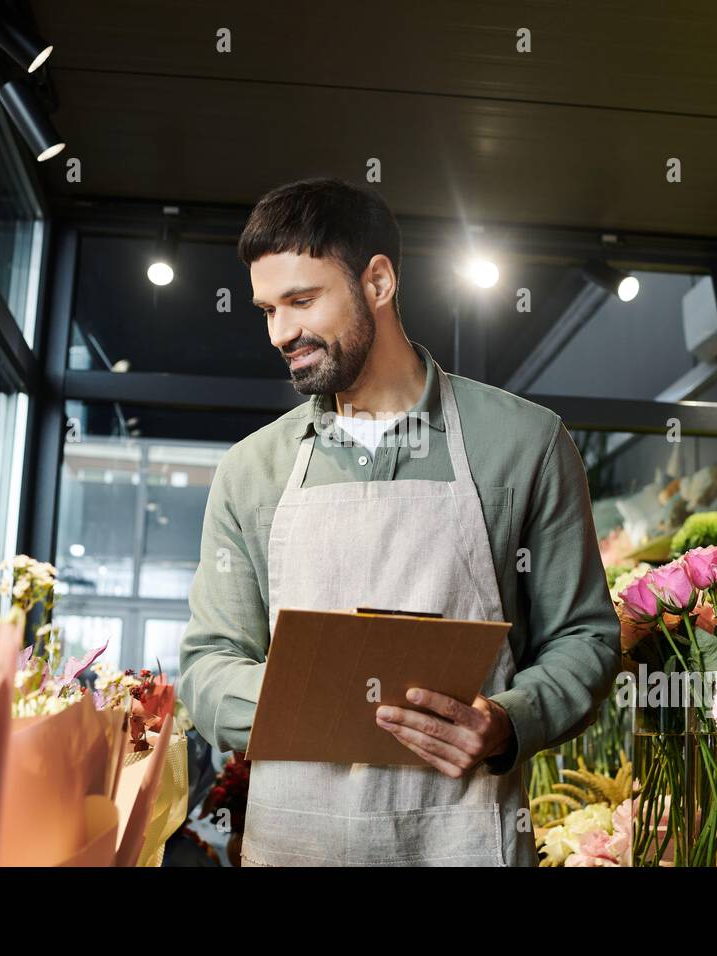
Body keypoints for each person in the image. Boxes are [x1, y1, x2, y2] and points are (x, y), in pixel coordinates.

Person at [178, 177, 620, 866]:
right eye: (268, 310)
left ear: (378, 281)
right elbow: (207, 664)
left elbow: (585, 638)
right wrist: (321, 694)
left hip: (467, 839)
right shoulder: (250, 470)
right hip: (297, 843)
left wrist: (506, 722)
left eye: (302, 300)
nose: (280, 333)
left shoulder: (525, 443)